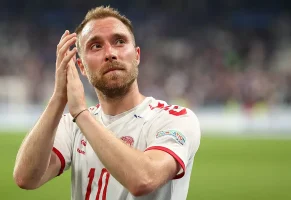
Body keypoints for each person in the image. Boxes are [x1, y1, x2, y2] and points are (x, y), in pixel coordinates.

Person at [13, 6, 201, 200]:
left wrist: (81, 114)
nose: (110, 53)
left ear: (136, 56)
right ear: (82, 67)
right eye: (96, 46)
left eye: (119, 42)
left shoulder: (174, 119)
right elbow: (26, 178)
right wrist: (58, 98)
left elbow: (144, 179)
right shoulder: (70, 125)